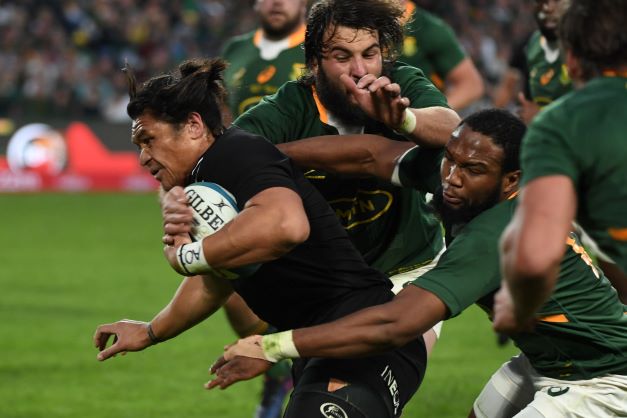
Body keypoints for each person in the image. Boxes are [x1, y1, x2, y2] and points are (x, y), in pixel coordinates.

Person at [209, 109, 627, 418]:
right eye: (450, 159)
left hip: (605, 381)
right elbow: (371, 155)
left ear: (511, 181)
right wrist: (262, 160)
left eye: (473, 169)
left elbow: (394, 324)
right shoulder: (464, 181)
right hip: (548, 361)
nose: (452, 177)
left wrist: (271, 346)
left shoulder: (500, 236)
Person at [93, 58, 428, 418]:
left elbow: (286, 225)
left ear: (193, 126)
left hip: (364, 336)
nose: (143, 157)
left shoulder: (233, 153)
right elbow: (215, 283)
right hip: (330, 343)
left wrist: (186, 257)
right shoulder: (206, 182)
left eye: (149, 139)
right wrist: (150, 332)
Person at [233, 0, 460, 352]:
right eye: (342, 57)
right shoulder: (288, 108)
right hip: (328, 281)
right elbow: (226, 157)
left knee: (371, 379)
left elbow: (453, 130)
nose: (360, 70)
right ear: (313, 63)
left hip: (409, 267)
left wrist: (404, 120)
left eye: (370, 54)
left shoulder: (399, 82)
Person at [497, 0, 627, 333]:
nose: (549, 6)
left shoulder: (562, 122)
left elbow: (532, 256)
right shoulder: (533, 50)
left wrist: (517, 307)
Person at [221, 1, 308, 415]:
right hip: (241, 193)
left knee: (309, 299)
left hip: (307, 193)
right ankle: (280, 373)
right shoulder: (234, 51)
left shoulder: (322, 48)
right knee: (235, 296)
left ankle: (299, 386)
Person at [221, 0, 307, 121]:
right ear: (256, 3)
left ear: (303, 3)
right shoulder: (234, 49)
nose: (277, 2)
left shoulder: (323, 50)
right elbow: (223, 114)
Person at [399, 0, 484, 111]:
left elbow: (472, 85)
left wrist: (432, 115)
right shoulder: (371, 23)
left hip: (410, 122)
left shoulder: (429, 29)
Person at [517, 0, 572, 124]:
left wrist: (542, 117)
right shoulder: (534, 45)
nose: (548, 8)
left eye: (557, 1)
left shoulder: (592, 45)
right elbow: (529, 107)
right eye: (542, 1)